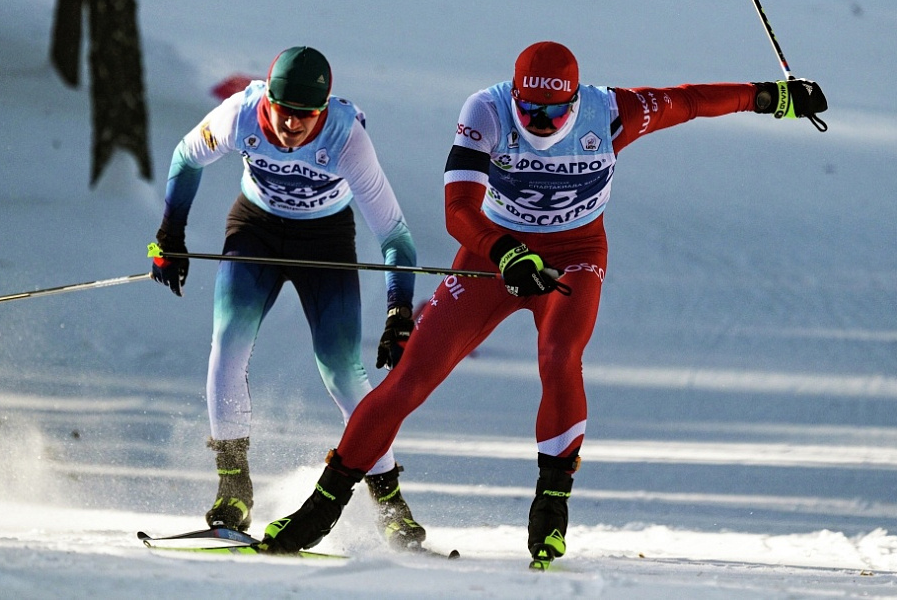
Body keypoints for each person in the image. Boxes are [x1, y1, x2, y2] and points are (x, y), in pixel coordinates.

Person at [256, 41, 828, 568]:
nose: (539, 124)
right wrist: (503, 250)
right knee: (410, 380)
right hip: (490, 251)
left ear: (576, 101)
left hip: (574, 252)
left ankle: (551, 512)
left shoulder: (611, 112)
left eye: (554, 114)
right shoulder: (487, 110)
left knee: (559, 358)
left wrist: (771, 97)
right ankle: (321, 510)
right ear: (514, 95)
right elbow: (458, 209)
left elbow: (689, 102)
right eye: (529, 111)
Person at [150, 46, 427, 549]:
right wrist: (170, 235)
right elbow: (185, 157)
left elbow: (396, 236)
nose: (292, 127)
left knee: (343, 372)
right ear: (268, 101)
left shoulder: (346, 137)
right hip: (255, 229)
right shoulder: (239, 114)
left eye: (306, 117)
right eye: (283, 113)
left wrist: (399, 310)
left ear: (322, 111)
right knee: (228, 345)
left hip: (325, 241)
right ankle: (233, 487)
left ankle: (390, 503)